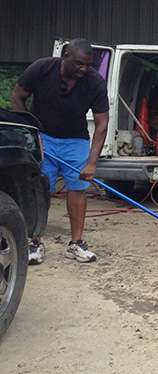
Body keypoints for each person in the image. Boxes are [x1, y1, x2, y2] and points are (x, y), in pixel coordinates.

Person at [12, 38, 109, 264]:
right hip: (42, 135)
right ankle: (34, 242)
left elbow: (102, 122)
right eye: (79, 64)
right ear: (65, 57)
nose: (84, 69)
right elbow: (18, 97)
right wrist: (32, 135)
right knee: (38, 187)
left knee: (77, 188)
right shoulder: (41, 69)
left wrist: (92, 162)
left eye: (88, 65)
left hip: (75, 140)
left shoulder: (94, 82)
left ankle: (76, 244)